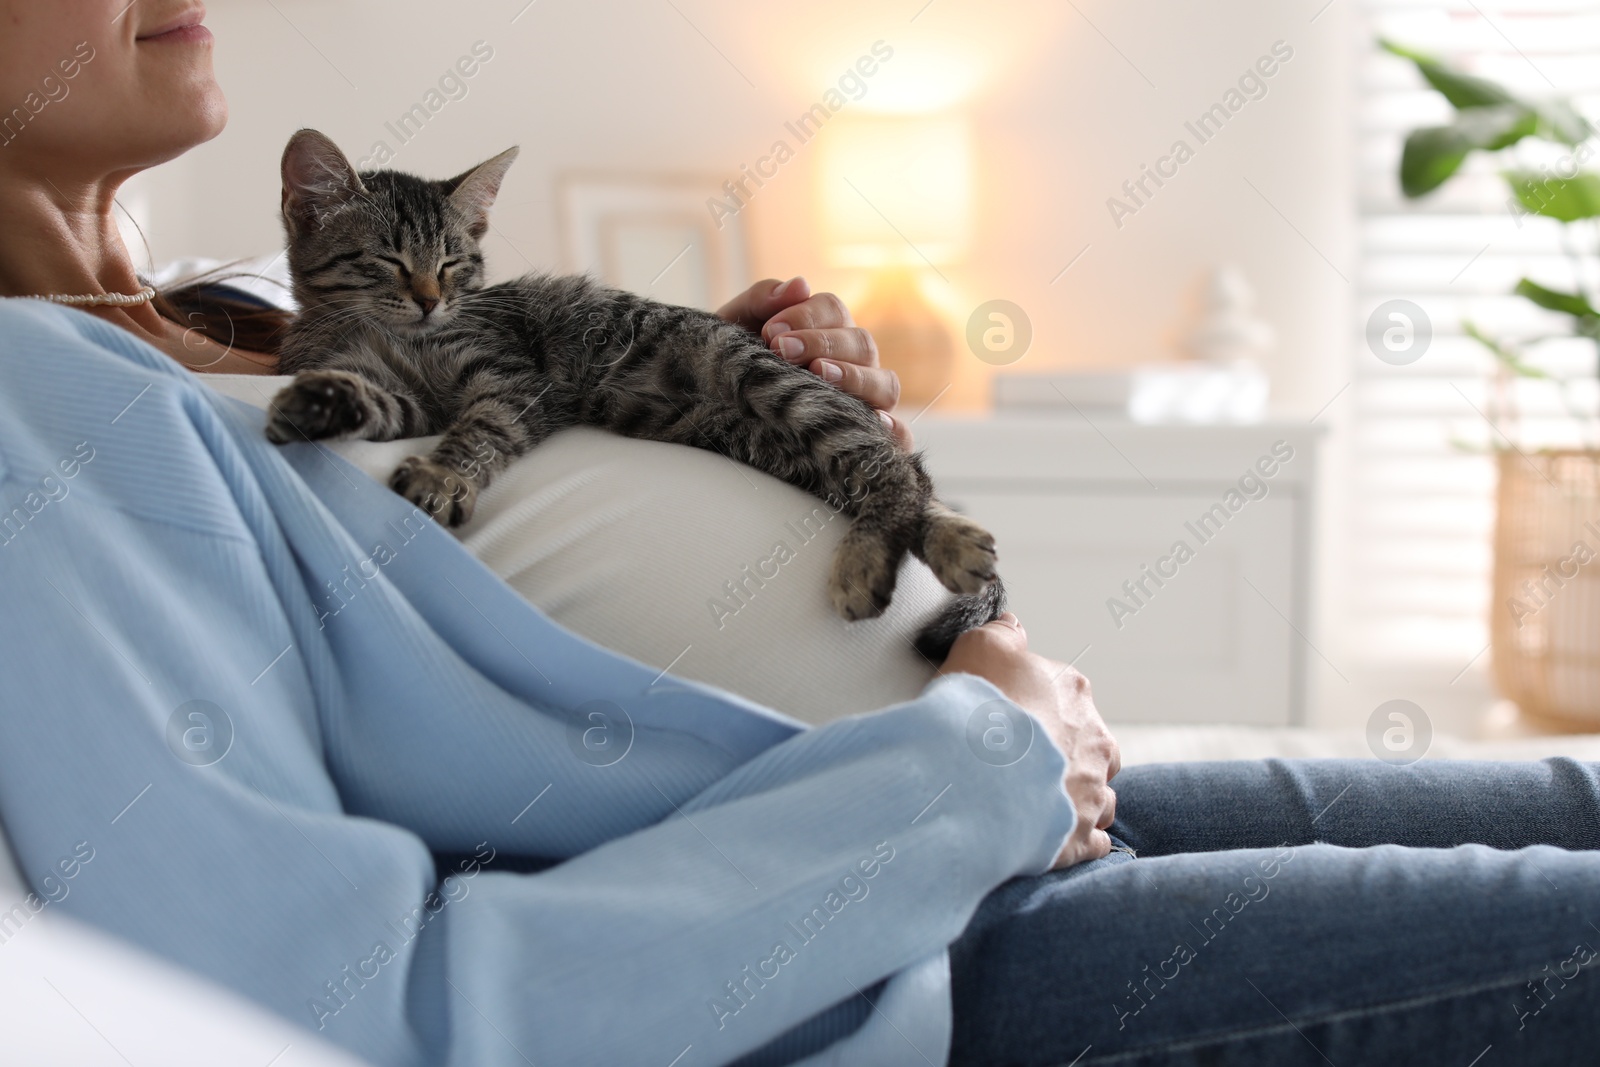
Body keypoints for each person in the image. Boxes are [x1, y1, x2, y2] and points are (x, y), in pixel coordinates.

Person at [0, 4, 1594, 1066]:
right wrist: (985, 758)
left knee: (1571, 797)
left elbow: (461, 614)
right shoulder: (20, 414)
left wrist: (721, 402)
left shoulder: (234, 307)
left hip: (935, 822)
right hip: (860, 965)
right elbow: (352, 1010)